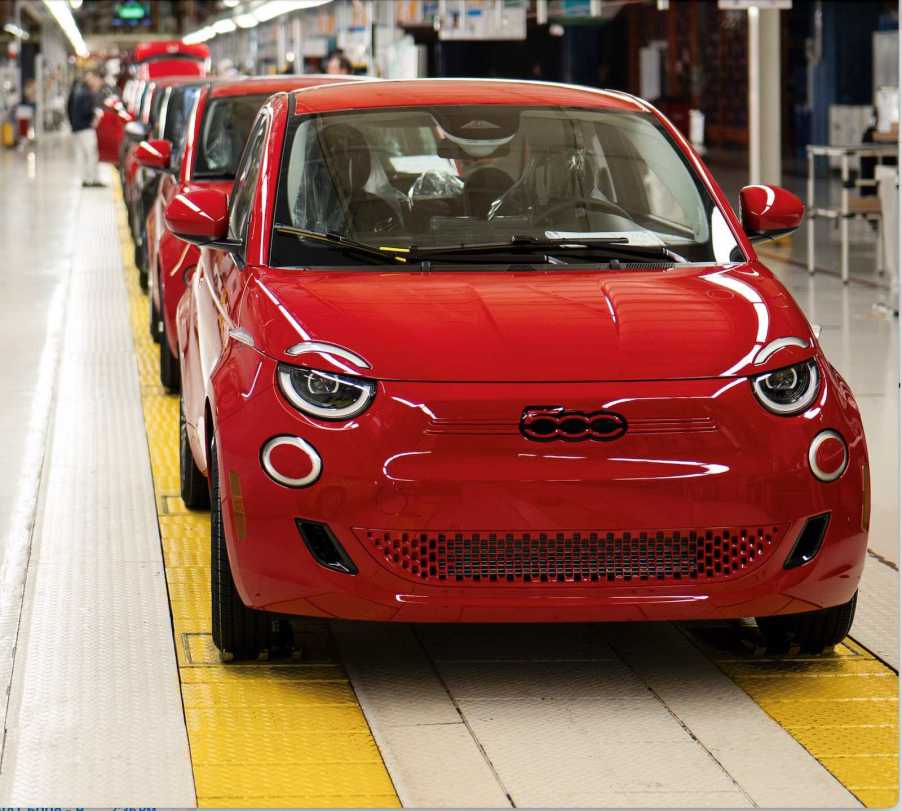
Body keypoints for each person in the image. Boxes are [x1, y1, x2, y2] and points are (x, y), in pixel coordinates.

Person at [67, 69, 104, 188]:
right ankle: (93, 180)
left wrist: (72, 124)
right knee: (91, 154)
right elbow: (86, 111)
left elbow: (68, 107)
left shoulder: (78, 90)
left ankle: (86, 179)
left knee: (82, 155)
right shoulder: (86, 93)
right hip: (85, 128)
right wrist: (95, 115)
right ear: (93, 78)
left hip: (77, 128)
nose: (99, 84)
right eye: (99, 81)